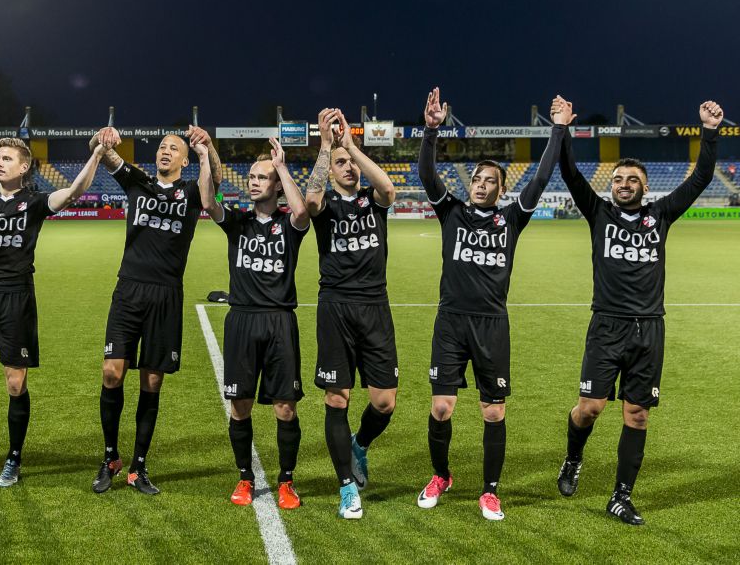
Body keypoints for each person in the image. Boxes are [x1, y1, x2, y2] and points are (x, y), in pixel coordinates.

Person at [555, 97, 724, 525]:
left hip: (649, 329)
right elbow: (571, 173)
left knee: (637, 413)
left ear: (645, 187)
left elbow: (702, 176)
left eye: (632, 179)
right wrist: (562, 129)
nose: (624, 183)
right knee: (590, 408)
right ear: (610, 184)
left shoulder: (661, 214)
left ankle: (620, 496)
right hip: (606, 325)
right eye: (618, 178)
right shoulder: (598, 212)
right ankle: (573, 457)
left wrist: (709, 130)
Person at [417, 87, 567, 521]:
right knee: (442, 408)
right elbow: (428, 176)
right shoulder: (452, 212)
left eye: (490, 182)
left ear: (501, 189)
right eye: (477, 180)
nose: (481, 185)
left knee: (493, 409)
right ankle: (441, 475)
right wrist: (431, 131)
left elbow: (540, 177)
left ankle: (490, 491)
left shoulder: (512, 219)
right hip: (450, 321)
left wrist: (557, 130)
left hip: (491, 324)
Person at [0, 136, 112, 487]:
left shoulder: (34, 202)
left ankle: (14, 457)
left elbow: (74, 191)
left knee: (15, 383)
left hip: (17, 297)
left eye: (7, 158)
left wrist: (96, 155)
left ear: (24, 166)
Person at [90, 125, 222, 495]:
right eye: (162, 146)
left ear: (184, 158)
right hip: (129, 289)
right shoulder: (138, 182)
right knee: (112, 373)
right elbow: (101, 151)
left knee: (151, 381)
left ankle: (138, 467)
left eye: (173, 148)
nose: (165, 151)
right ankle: (111, 456)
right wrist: (101, 136)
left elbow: (217, 186)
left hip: (166, 295)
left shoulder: (194, 192)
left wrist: (208, 148)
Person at [196, 137, 309, 510]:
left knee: (285, 408)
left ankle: (286, 482)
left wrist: (282, 168)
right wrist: (204, 155)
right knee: (239, 405)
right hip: (242, 321)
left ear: (275, 183)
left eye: (262, 177)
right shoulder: (239, 223)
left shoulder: (289, 225)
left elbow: (303, 211)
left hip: (279, 322)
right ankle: (245, 477)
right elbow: (208, 202)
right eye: (252, 177)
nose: (254, 182)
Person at [304, 108, 398, 520]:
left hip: (375, 306)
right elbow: (308, 201)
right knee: (337, 397)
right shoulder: (325, 207)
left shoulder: (372, 203)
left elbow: (389, 188)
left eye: (350, 164)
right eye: (340, 164)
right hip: (336, 307)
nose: (347, 168)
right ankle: (346, 487)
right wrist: (327, 146)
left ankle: (359, 446)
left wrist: (351, 147)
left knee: (384, 403)